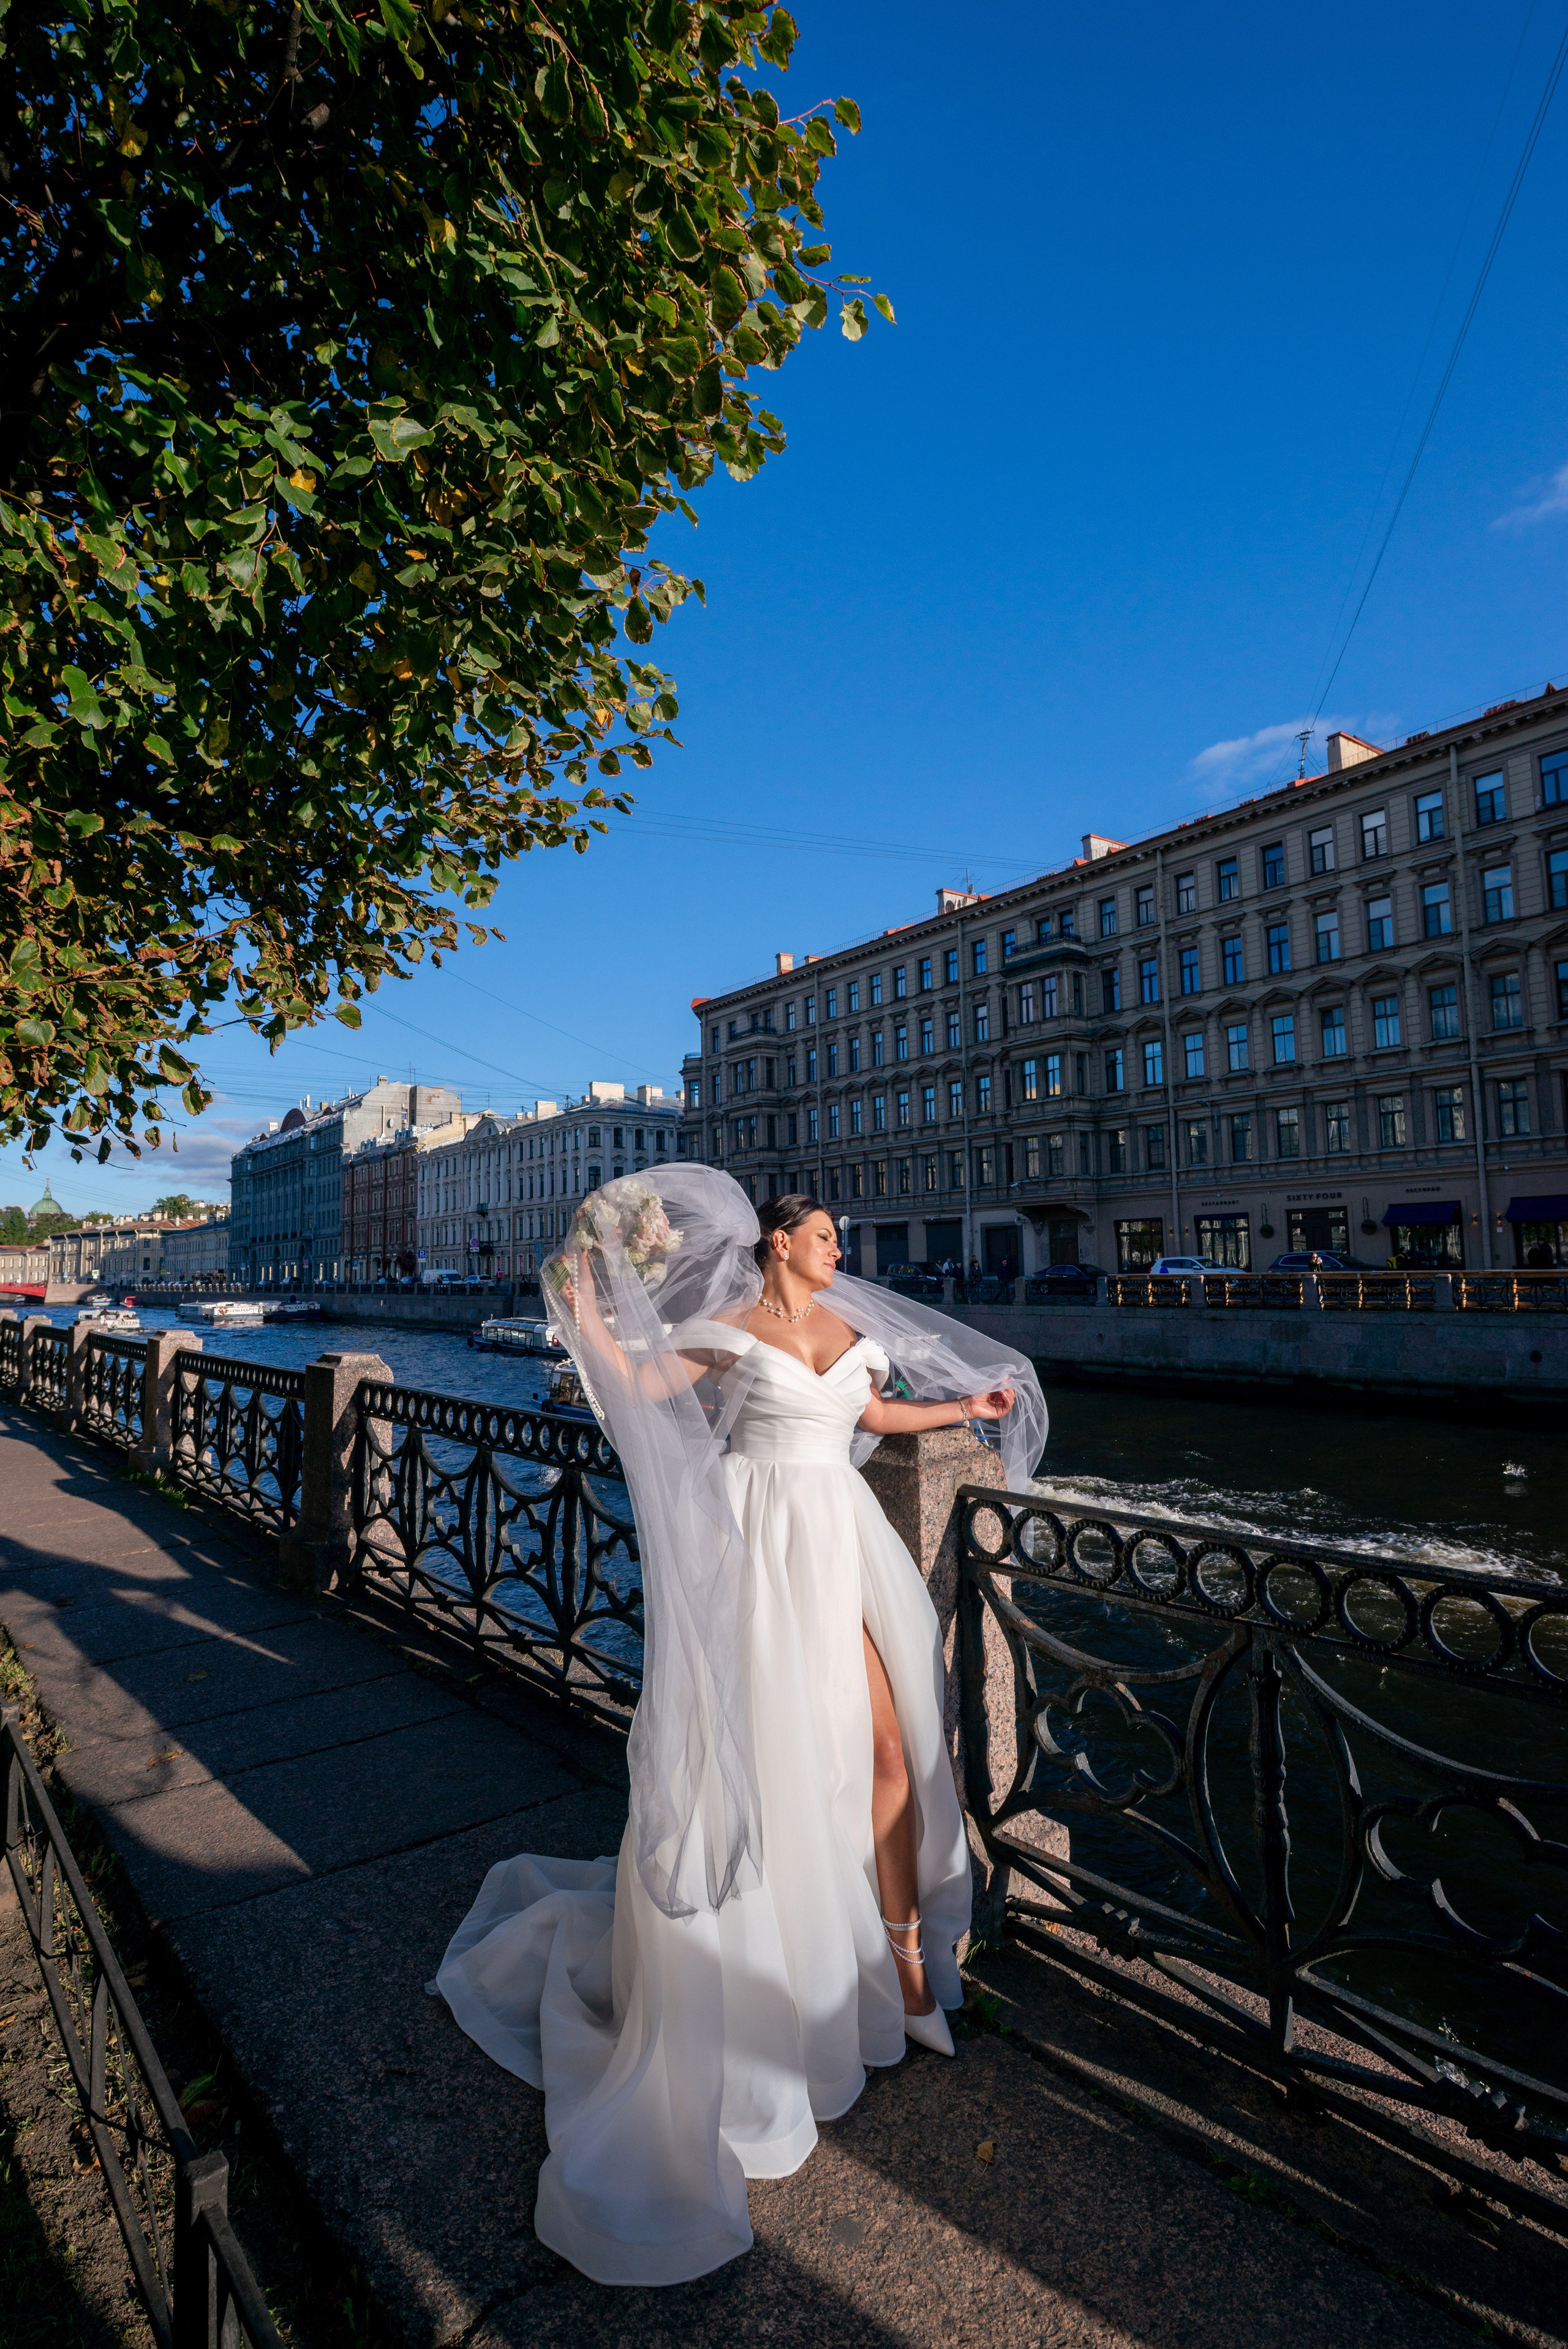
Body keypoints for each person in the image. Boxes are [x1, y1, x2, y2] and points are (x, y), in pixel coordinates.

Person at [434, 1171, 1044, 2287]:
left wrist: (967, 1411)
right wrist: (579, 1293)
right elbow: (638, 1384)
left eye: (837, 1233)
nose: (837, 1245)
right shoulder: (722, 1330)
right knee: (771, 1764)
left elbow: (872, 1414)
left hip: (843, 1543)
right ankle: (804, 1992)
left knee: (890, 1751)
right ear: (775, 1243)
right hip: (759, 1555)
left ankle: (907, 1969)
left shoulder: (851, 1322)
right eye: (822, 1233)